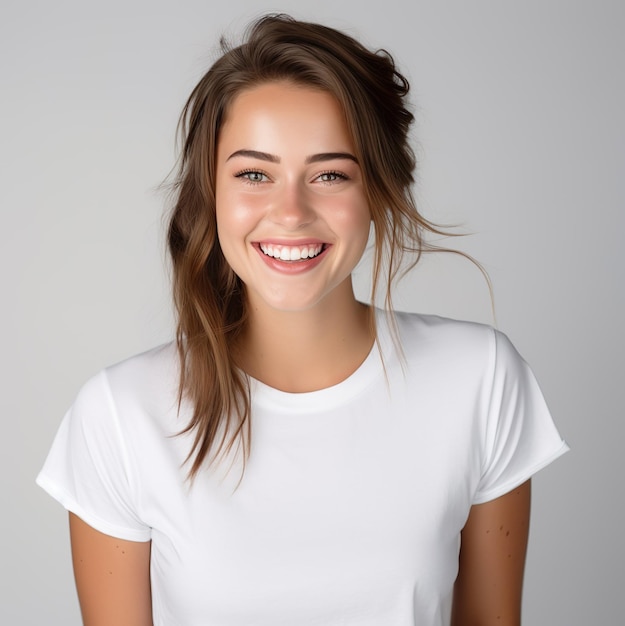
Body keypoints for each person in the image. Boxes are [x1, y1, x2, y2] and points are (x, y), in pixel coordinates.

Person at [37, 13, 568, 626]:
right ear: (209, 191)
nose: (290, 212)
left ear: (379, 191)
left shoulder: (480, 379)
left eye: (330, 174)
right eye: (254, 174)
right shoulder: (121, 414)